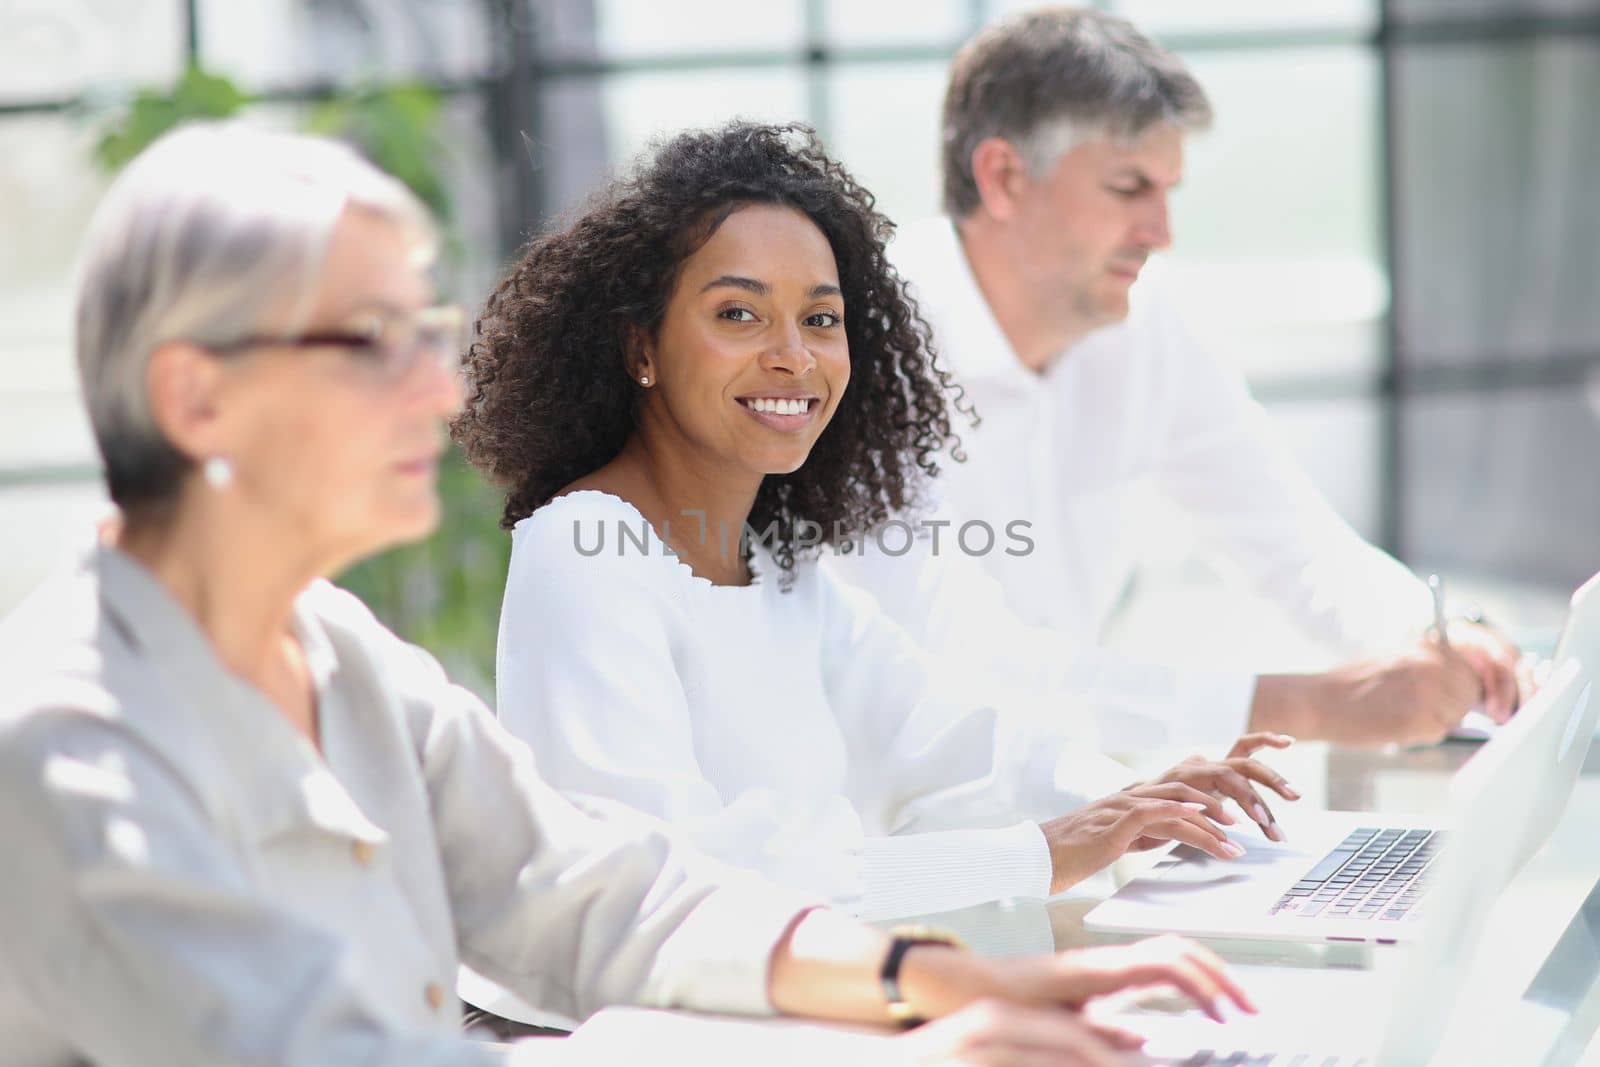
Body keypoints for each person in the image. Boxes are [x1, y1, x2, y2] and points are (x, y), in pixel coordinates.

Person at [0, 121, 1255, 1067]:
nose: (438, 393)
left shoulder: (339, 656)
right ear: (194, 399)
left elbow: (604, 897)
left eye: (426, 335)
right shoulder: (70, 749)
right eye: (369, 341)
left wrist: (922, 982)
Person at [455, 120, 1300, 926]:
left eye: (820, 318)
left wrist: (1134, 793)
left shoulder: (779, 565)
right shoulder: (584, 551)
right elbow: (673, 885)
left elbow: (952, 738)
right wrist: (1041, 851)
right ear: (640, 347)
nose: (794, 354)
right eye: (738, 314)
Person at [827, 5, 1529, 752]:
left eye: (1168, 191)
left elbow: (1293, 541)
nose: (1161, 232)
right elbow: (959, 660)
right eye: (1129, 188)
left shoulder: (1145, 323)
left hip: (1070, 808)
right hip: (889, 835)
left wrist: (1441, 637)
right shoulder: (854, 352)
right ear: (1003, 177)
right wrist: (1312, 706)